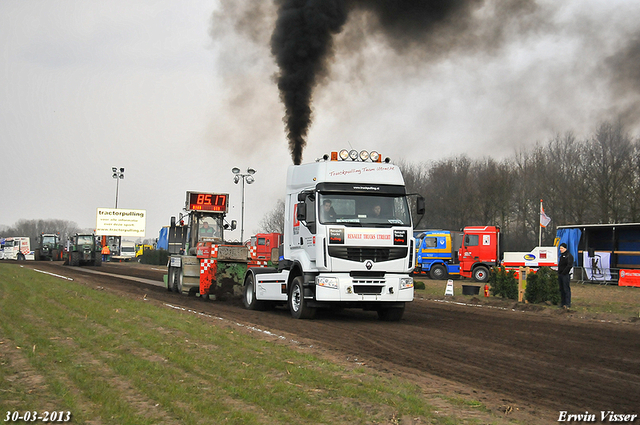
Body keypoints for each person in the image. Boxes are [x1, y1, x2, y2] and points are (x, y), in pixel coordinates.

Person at [558, 242, 574, 309]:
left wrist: (564, 272)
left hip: (565, 275)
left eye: (562, 248)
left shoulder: (569, 256)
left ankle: (567, 303)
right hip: (560, 274)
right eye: (560, 248)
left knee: (566, 289)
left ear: (565, 248)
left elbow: (569, 265)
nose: (560, 250)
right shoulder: (561, 256)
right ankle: (562, 303)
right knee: (561, 289)